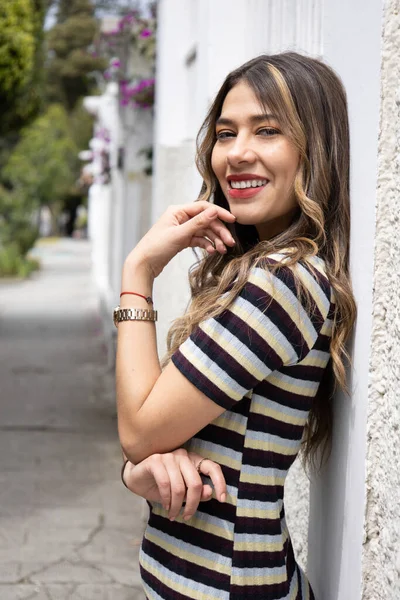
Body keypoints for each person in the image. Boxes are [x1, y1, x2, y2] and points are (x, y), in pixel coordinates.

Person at [114, 52, 356, 600]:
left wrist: (139, 272)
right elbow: (150, 438)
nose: (238, 153)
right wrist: (142, 468)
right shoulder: (254, 273)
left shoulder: (282, 283)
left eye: (268, 130)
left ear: (314, 149)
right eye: (226, 133)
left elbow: (138, 429)